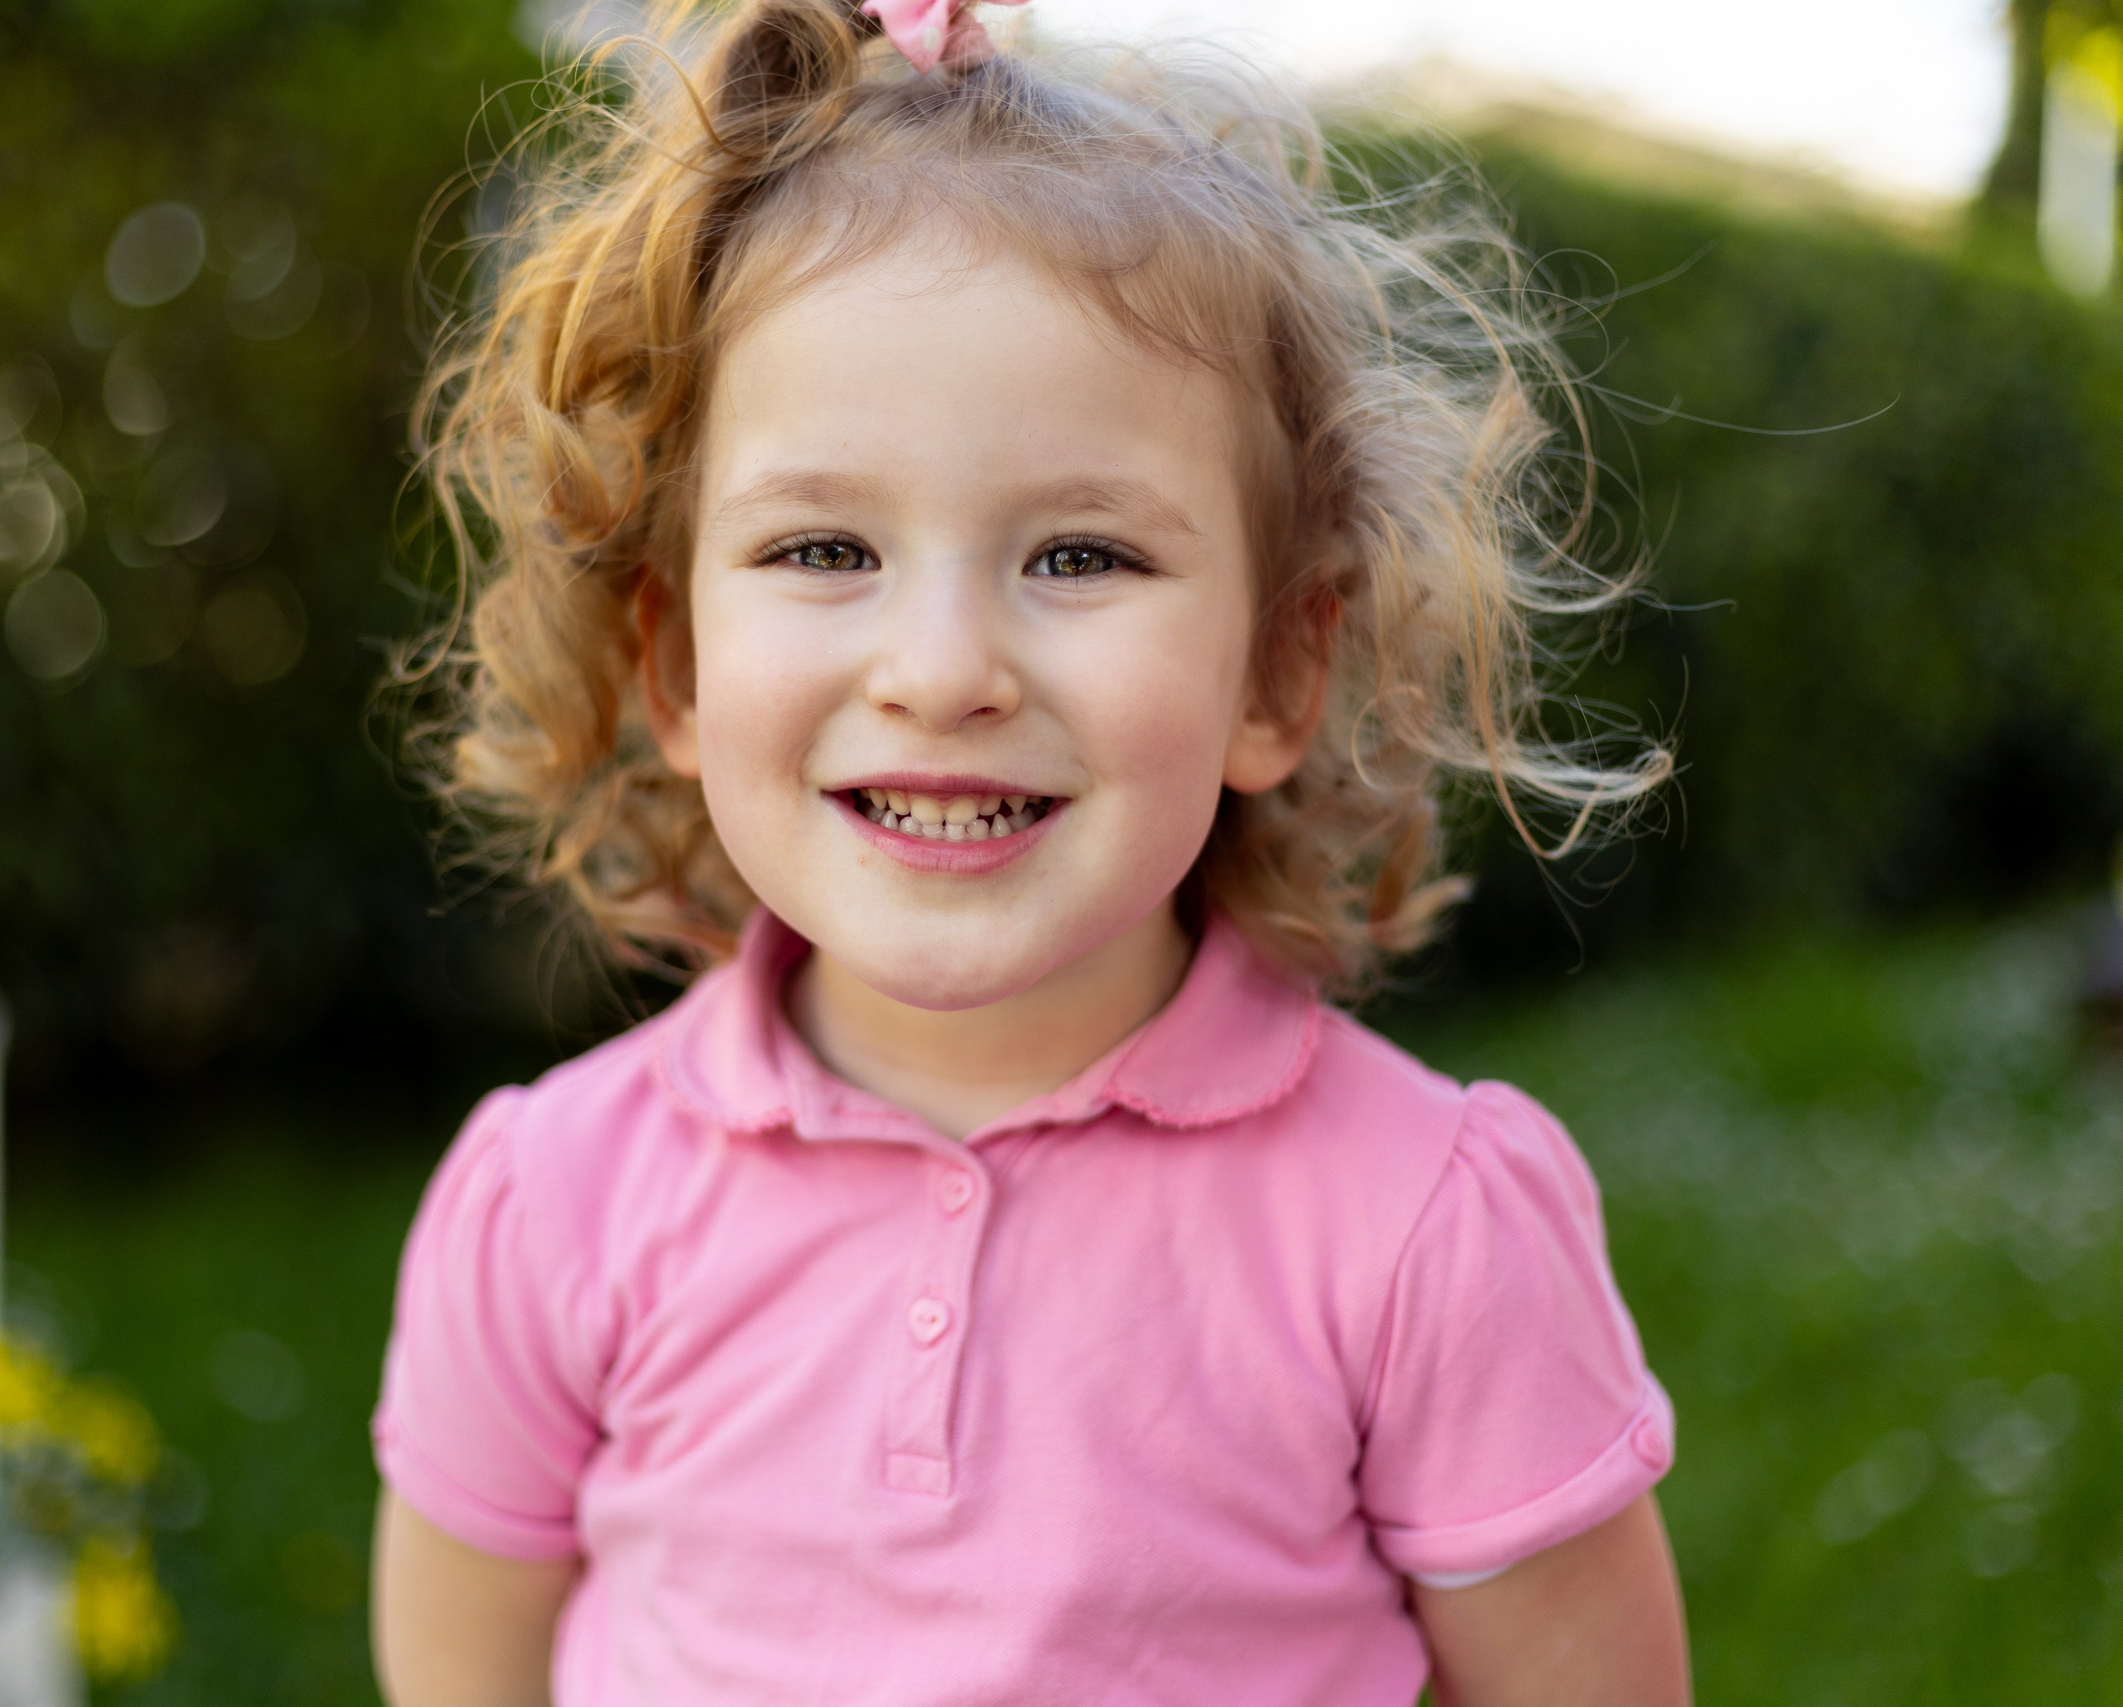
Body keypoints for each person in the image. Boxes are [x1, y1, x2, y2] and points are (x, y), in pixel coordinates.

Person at [369, 0, 1688, 1700]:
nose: (942, 673)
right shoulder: (549, 1211)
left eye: (1077, 559)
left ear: (1278, 669)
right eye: (826, 545)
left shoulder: (1423, 1229)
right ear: (677, 663)